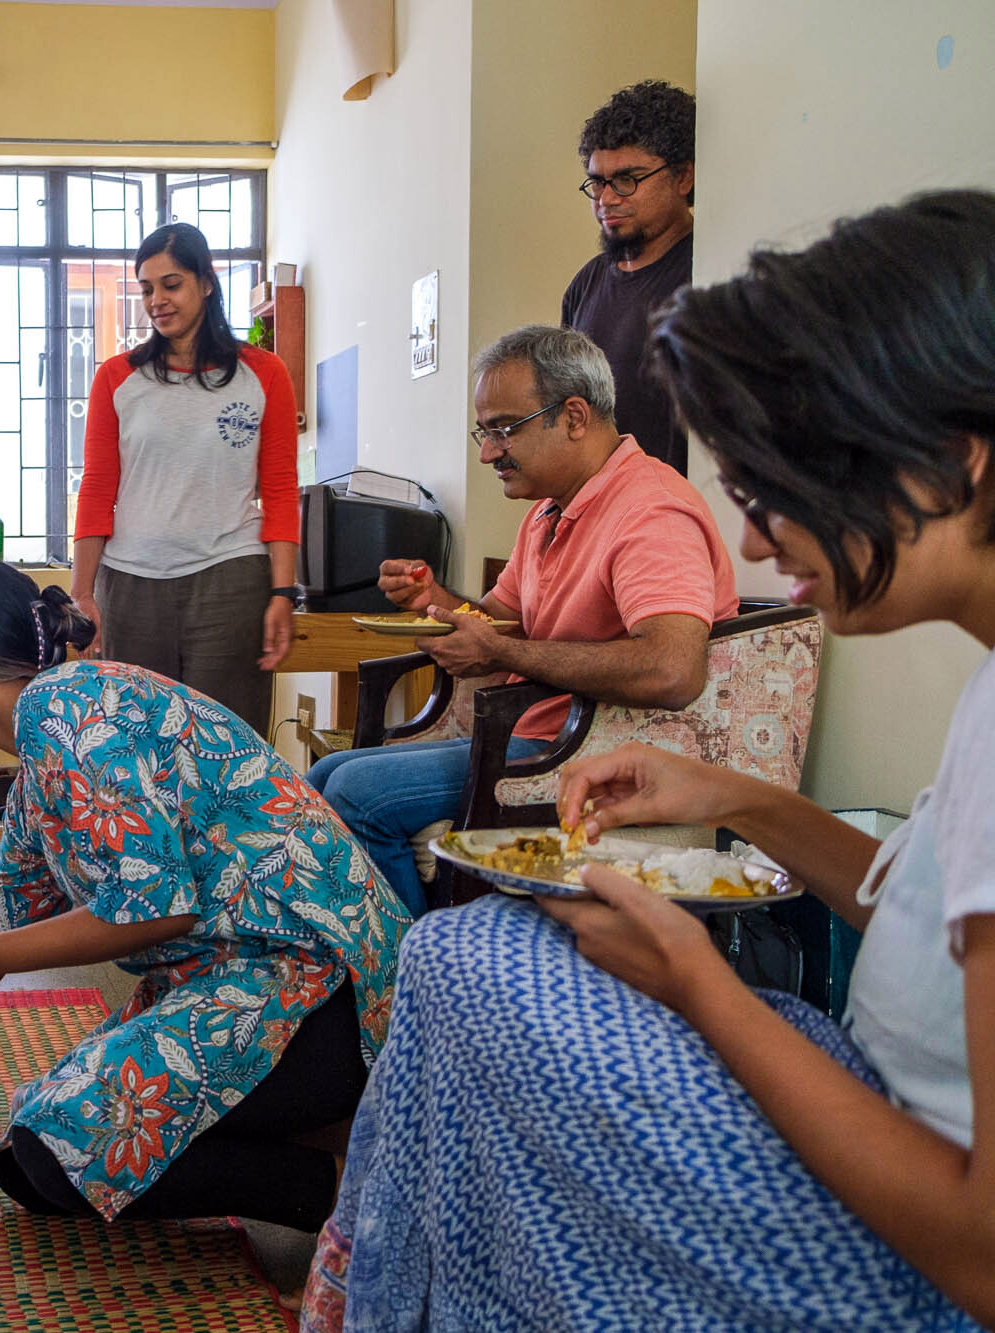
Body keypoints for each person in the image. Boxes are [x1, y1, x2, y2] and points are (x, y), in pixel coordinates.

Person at [300, 191, 995, 1331]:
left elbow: (978, 1256)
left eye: (777, 489)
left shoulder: (648, 515)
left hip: (909, 1255)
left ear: (951, 462)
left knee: (459, 959)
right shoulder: (979, 687)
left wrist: (700, 985)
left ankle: (400, 1281)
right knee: (466, 960)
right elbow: (908, 902)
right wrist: (730, 797)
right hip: (868, 1072)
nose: (757, 540)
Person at [0, 556, 410, 1234]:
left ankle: (344, 1195)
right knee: (25, 1164)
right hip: (235, 976)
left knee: (58, 1148)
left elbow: (158, 907)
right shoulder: (41, 759)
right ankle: (312, 1141)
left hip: (326, 988)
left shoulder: (65, 707)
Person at [306, 325, 737, 915]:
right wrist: (433, 599)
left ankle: (406, 983)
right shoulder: (548, 513)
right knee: (325, 773)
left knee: (356, 794)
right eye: (484, 431)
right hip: (536, 733)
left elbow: (672, 670)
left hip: (598, 747)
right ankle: (360, 963)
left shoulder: (650, 510)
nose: (487, 452)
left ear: (575, 416)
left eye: (503, 429)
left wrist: (504, 653)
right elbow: (498, 621)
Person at [70, 221, 302, 734]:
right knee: (137, 747)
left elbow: (282, 490)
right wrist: (82, 594)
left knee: (225, 746)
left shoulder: (263, 374)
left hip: (231, 580)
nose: (157, 300)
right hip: (131, 585)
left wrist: (283, 594)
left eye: (171, 284)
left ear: (207, 282)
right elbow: (97, 490)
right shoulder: (117, 377)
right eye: (147, 288)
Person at [561, 80, 696, 476]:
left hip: (680, 518)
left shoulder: (707, 273)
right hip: (603, 521)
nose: (606, 199)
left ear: (683, 177)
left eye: (627, 179)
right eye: (597, 182)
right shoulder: (584, 287)